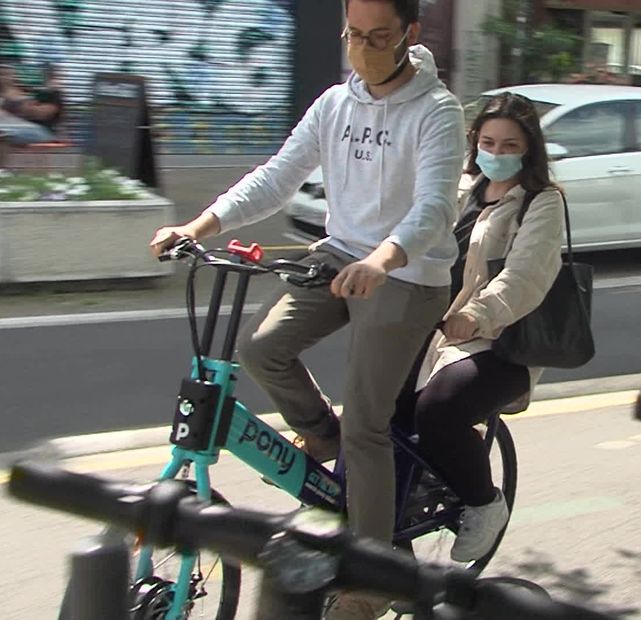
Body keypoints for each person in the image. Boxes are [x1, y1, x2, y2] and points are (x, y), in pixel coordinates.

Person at [149, 0, 465, 617]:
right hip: (338, 255)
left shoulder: (437, 112)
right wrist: (200, 224)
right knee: (262, 348)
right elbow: (277, 176)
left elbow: (433, 208)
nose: (365, 48)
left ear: (409, 35)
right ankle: (322, 439)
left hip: (408, 271)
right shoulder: (333, 105)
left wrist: (383, 260)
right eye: (355, 35)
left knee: (368, 424)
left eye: (380, 36)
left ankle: (375, 580)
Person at [392, 92, 564, 563]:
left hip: (500, 342)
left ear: (529, 148)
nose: (497, 153)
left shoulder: (541, 203)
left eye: (510, 145)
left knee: (437, 411)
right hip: (438, 332)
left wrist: (476, 315)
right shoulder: (461, 187)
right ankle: (390, 548)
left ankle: (484, 503)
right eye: (488, 142)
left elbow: (524, 277)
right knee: (377, 405)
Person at [0, 64, 56, 145]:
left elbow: (37, 112)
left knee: (41, 133)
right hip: (8, 126)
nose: (4, 78)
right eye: (2, 74)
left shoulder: (23, 93)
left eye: (8, 74)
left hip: (20, 128)